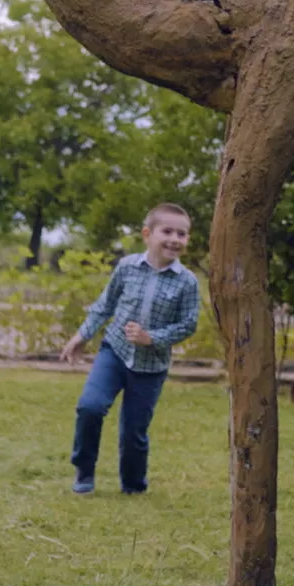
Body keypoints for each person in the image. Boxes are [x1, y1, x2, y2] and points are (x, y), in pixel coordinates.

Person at [58, 203, 200, 496]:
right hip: (115, 352)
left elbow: (188, 324)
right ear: (147, 234)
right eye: (167, 231)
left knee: (134, 431)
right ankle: (84, 471)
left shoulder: (187, 282)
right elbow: (105, 305)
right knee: (90, 407)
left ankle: (133, 486)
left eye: (182, 234)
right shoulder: (127, 267)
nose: (175, 239)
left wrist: (152, 338)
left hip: (151, 366)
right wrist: (82, 335)